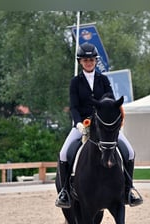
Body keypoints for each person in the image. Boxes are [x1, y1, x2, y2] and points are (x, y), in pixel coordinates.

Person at [55, 42, 143, 208]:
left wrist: (109, 117)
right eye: (85, 60)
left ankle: (128, 189)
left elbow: (110, 99)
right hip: (82, 125)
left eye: (91, 60)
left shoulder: (103, 80)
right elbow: (74, 106)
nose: (89, 63)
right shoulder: (76, 82)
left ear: (95, 61)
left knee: (129, 152)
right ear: (80, 62)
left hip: (104, 126)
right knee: (64, 154)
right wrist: (79, 123)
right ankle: (65, 192)